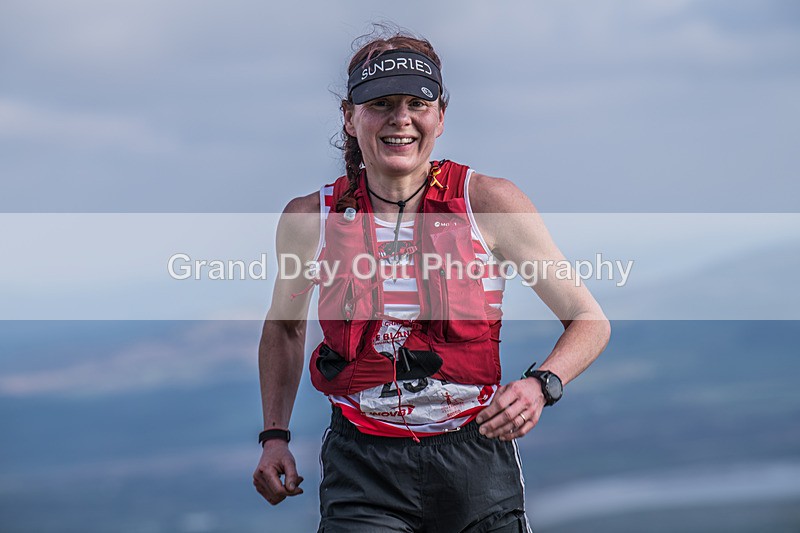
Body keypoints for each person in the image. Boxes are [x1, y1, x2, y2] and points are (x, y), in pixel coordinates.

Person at [253, 29, 610, 532]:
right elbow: (285, 328)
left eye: (416, 103)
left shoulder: (488, 203)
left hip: (476, 458)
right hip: (362, 467)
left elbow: (589, 320)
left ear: (440, 117)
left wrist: (540, 385)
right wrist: (275, 435)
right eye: (380, 103)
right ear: (350, 118)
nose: (400, 119)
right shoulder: (310, 217)